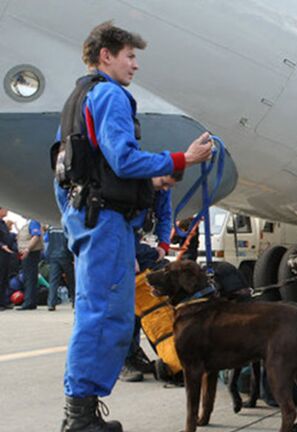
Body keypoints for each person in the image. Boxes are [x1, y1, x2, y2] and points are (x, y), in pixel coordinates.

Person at [54, 21, 212, 432]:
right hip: (105, 221)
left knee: (96, 312)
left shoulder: (77, 98)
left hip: (89, 219)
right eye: (130, 56)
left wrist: (76, 222)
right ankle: (81, 418)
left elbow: (64, 172)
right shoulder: (109, 95)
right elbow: (123, 160)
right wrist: (182, 160)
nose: (135, 65)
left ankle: (80, 412)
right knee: (106, 315)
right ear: (106, 56)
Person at [120, 172, 181, 383]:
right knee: (125, 307)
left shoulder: (162, 189)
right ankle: (123, 360)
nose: (165, 189)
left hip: (141, 244)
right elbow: (119, 222)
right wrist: (128, 254)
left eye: (169, 186)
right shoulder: (131, 185)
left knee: (145, 306)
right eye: (164, 184)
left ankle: (135, 354)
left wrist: (164, 244)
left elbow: (165, 215)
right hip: (120, 242)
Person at [44, 226, 75, 311]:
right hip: (65, 255)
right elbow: (70, 240)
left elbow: (48, 241)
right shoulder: (66, 225)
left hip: (53, 256)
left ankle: (51, 303)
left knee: (53, 281)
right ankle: (75, 301)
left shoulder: (51, 228)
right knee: (71, 280)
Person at [15, 218, 42, 310]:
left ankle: (29, 302)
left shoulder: (33, 222)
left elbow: (36, 236)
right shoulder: (28, 223)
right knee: (28, 277)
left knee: (30, 277)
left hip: (31, 253)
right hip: (28, 253)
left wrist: (27, 249)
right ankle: (30, 301)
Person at [0, 207, 14, 310]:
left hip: (6, 254)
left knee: (5, 278)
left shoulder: (3, 223)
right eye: (5, 209)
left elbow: (8, 237)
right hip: (1, 252)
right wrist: (2, 246)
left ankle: (4, 302)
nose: (7, 211)